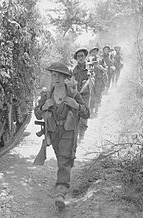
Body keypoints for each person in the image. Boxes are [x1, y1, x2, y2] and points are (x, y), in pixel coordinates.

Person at [34, 62, 90, 210]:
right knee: (62, 158)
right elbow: (37, 113)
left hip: (68, 131)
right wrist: (44, 106)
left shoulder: (73, 94)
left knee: (64, 161)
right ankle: (64, 176)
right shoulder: (47, 94)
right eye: (53, 74)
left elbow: (86, 113)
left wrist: (76, 105)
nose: (56, 77)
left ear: (65, 77)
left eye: (59, 75)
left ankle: (61, 191)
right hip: (53, 132)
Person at [72, 48, 92, 141]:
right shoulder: (74, 69)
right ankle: (75, 134)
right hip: (76, 95)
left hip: (85, 94)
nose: (80, 58)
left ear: (85, 57)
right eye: (78, 56)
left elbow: (92, 80)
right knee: (75, 114)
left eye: (82, 56)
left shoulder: (89, 67)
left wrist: (88, 80)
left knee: (84, 113)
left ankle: (82, 135)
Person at [88, 47, 107, 114]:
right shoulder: (88, 60)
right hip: (91, 80)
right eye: (93, 52)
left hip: (98, 80)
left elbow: (105, 70)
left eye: (95, 52)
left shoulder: (101, 60)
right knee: (91, 95)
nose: (94, 53)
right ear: (91, 53)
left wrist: (100, 67)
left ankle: (96, 109)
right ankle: (91, 109)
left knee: (98, 94)